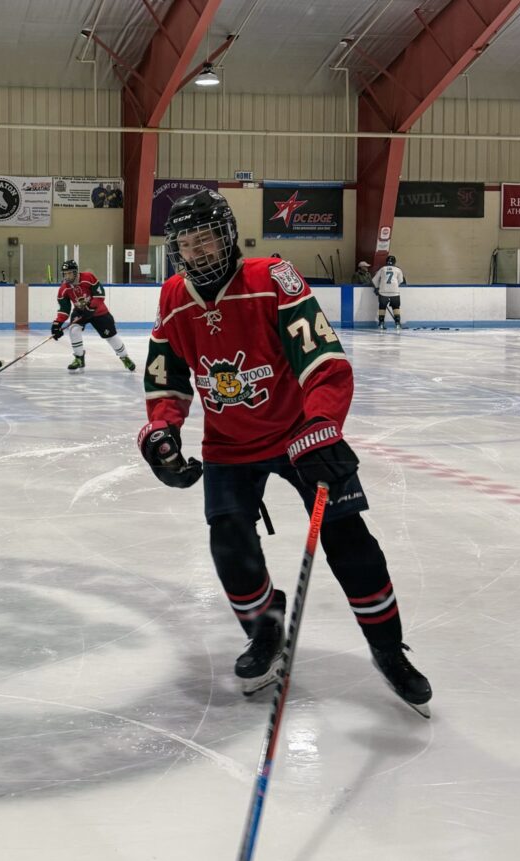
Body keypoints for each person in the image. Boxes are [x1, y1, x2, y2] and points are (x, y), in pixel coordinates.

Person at [136, 189, 431, 713]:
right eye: (188, 243)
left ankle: (389, 650)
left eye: (207, 239)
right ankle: (266, 629)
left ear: (227, 236)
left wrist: (322, 426)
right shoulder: (173, 297)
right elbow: (168, 374)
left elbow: (322, 359)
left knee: (350, 541)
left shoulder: (272, 277)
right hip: (228, 443)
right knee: (229, 544)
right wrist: (162, 431)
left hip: (299, 434)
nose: (199, 253)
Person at [50, 260, 136, 372]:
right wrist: (57, 323)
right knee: (74, 329)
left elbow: (100, 294)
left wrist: (91, 307)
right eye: (65, 273)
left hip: (99, 312)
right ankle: (79, 358)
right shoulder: (63, 289)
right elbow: (64, 309)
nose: (67, 276)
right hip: (80, 312)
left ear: (76, 272)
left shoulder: (88, 278)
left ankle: (125, 357)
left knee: (110, 336)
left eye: (69, 273)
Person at [371, 254, 406, 331]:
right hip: (395, 292)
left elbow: (374, 280)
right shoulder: (398, 270)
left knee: (382, 307)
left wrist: (377, 288)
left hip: (383, 291)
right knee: (396, 307)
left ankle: (381, 323)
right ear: (394, 262)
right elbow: (400, 281)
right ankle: (397, 323)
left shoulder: (382, 269)